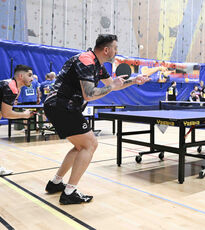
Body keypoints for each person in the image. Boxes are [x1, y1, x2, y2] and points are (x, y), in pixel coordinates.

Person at [44, 34, 150, 205]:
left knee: (80, 146)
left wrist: (135, 81)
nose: (117, 51)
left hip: (61, 105)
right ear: (106, 50)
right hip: (62, 104)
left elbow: (115, 85)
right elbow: (90, 94)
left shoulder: (98, 65)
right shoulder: (86, 60)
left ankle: (55, 183)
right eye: (115, 48)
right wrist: (110, 86)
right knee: (90, 144)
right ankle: (70, 192)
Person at [0, 64, 34, 176]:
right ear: (20, 76)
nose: (32, 78)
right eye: (29, 75)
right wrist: (24, 115)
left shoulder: (13, 86)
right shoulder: (11, 88)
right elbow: (6, 113)